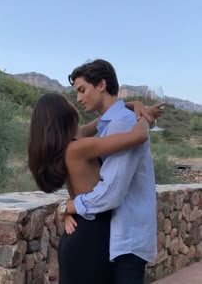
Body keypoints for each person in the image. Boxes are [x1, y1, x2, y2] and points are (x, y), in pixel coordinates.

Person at [28, 91, 162, 284]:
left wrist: (137, 104)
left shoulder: (73, 140)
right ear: (63, 112)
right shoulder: (78, 148)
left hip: (82, 227)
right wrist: (144, 118)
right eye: (68, 101)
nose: (75, 101)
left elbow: (105, 117)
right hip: (92, 233)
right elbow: (138, 135)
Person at [56, 59, 164, 284]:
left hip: (127, 239)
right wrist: (132, 104)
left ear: (101, 85)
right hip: (116, 236)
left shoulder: (121, 124)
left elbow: (111, 191)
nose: (79, 98)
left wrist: (69, 206)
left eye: (82, 90)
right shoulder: (111, 123)